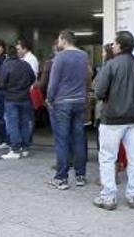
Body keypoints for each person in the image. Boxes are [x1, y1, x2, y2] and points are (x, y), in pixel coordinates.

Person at [93, 32, 134, 210]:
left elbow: (99, 92)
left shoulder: (110, 65)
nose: (113, 46)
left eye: (115, 43)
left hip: (112, 119)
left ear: (118, 45)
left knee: (108, 157)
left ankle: (108, 197)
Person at [47, 30, 91, 189]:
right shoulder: (84, 56)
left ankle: (61, 178)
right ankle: (80, 176)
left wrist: (49, 99)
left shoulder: (60, 57)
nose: (58, 43)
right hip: (79, 101)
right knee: (79, 138)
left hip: (62, 102)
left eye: (59, 40)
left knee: (62, 140)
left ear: (64, 40)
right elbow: (86, 78)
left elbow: (53, 82)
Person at [0, 45, 34, 159]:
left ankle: (15, 149)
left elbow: (2, 83)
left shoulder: (6, 65)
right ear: (17, 54)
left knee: (13, 124)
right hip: (25, 98)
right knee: (24, 123)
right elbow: (33, 78)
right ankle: (25, 148)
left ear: (7, 55)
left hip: (11, 99)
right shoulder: (25, 64)